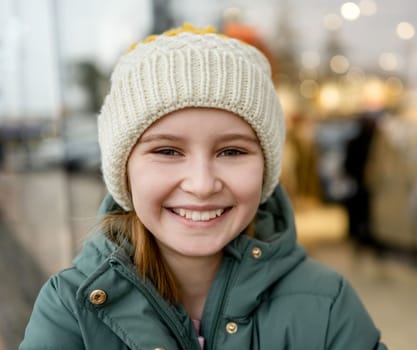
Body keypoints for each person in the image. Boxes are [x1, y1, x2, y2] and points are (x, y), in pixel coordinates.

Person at [20, 23, 387, 350]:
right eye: (167, 150)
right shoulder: (73, 307)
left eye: (231, 150)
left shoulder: (326, 304)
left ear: (266, 169)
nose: (201, 184)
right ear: (124, 169)